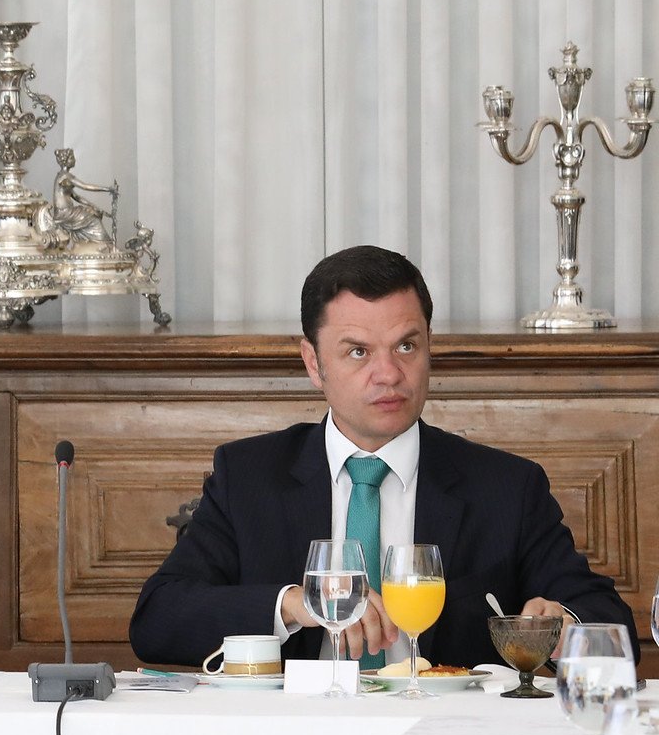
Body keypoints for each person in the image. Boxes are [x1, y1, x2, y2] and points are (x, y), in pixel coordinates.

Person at [130, 245, 635, 669]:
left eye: (407, 346)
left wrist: (566, 625)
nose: (389, 374)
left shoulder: (505, 487)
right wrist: (296, 604)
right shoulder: (248, 477)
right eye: (358, 352)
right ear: (313, 362)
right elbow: (158, 620)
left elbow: (612, 630)